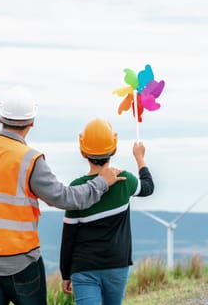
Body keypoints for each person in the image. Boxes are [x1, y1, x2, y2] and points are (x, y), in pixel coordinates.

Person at [0, 86, 126, 305]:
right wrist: (101, 182)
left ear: (1, 118)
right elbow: (67, 198)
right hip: (22, 263)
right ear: (32, 122)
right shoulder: (31, 160)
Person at [59, 118, 155, 305]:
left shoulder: (77, 188)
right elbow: (148, 187)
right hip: (117, 265)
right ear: (114, 149)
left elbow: (68, 236)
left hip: (83, 267)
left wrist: (65, 273)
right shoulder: (124, 180)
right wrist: (140, 157)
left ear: (82, 152)